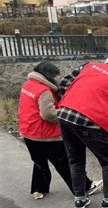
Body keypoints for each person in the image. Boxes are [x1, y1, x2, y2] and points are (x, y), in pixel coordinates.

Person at [57, 50, 108, 208]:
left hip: (64, 116)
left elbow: (63, 84)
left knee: (75, 159)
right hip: (89, 121)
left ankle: (79, 199)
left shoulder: (88, 66)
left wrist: (73, 102)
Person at [17, 62, 101, 200]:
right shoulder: (44, 90)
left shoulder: (28, 85)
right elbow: (48, 114)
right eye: (54, 76)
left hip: (28, 131)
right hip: (45, 134)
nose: (56, 78)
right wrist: (66, 114)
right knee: (66, 163)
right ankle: (85, 187)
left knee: (39, 162)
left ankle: (39, 190)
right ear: (48, 76)